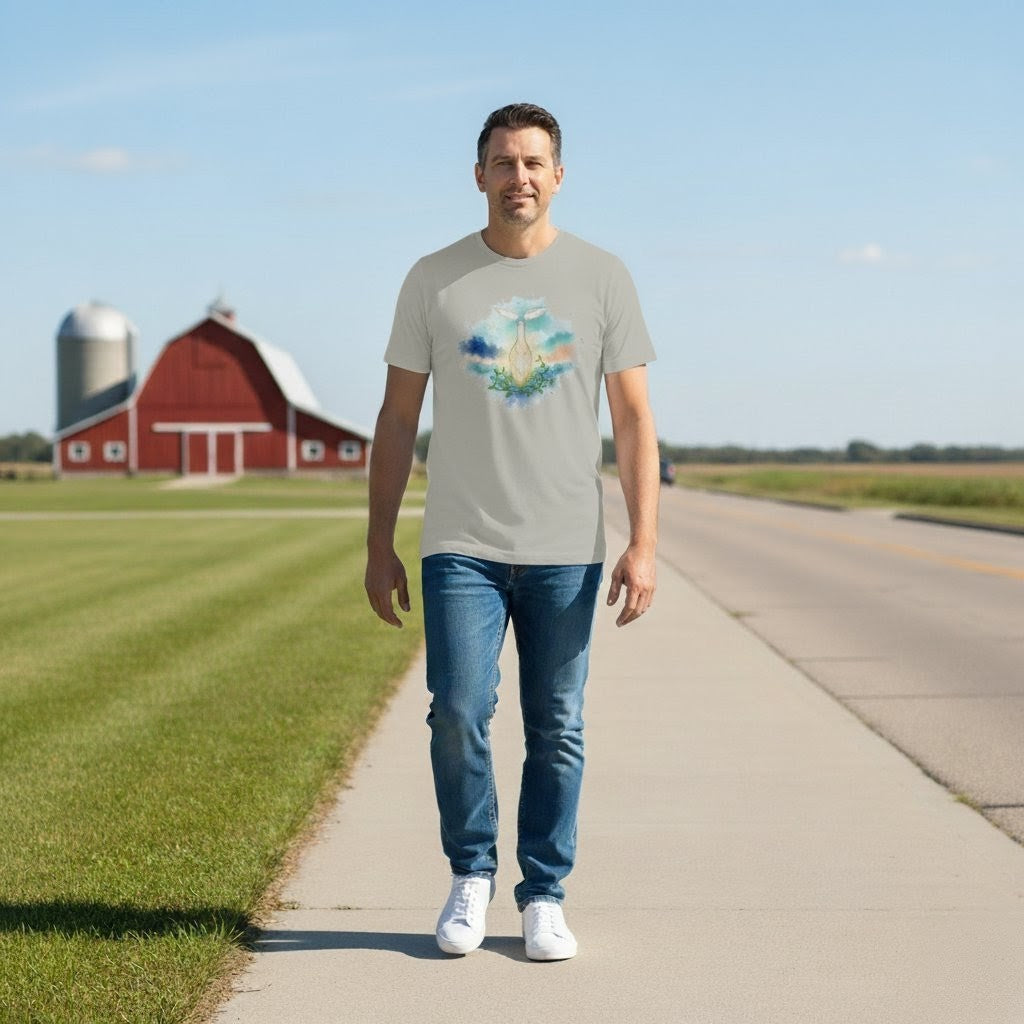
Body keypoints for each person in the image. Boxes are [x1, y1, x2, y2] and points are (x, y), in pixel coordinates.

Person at [365, 102, 659, 961]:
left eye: (534, 163)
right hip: (462, 542)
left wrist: (644, 541)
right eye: (503, 162)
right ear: (479, 175)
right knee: (457, 710)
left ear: (558, 175)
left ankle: (545, 894)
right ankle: (470, 875)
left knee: (556, 724)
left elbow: (635, 418)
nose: (518, 178)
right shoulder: (434, 279)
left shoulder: (603, 277)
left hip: (567, 545)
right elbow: (394, 417)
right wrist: (378, 541)